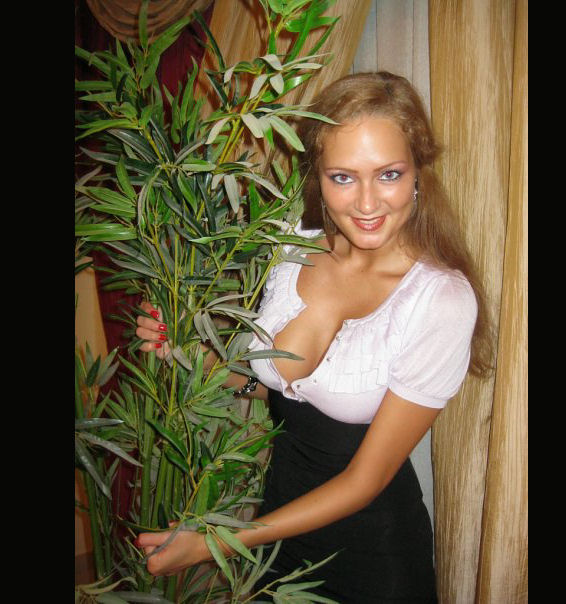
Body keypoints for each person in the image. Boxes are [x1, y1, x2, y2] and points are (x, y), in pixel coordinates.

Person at [134, 71, 493, 602]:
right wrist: (187, 354)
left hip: (372, 555)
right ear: (318, 177)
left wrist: (219, 541)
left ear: (418, 170)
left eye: (389, 174)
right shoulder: (291, 243)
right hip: (277, 534)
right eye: (343, 177)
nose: (367, 203)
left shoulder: (439, 299)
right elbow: (275, 388)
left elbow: (365, 480)